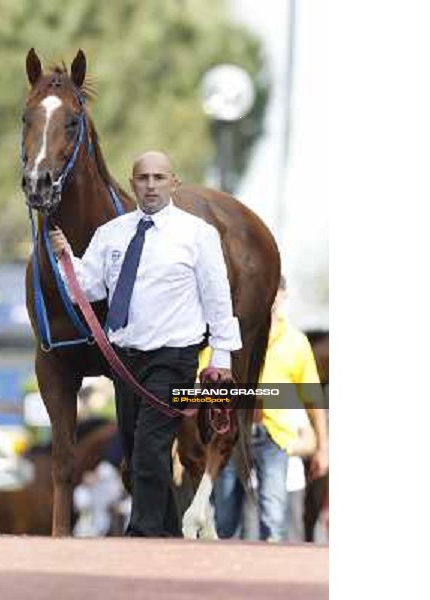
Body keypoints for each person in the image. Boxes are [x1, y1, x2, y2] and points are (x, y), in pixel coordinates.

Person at [49, 150, 242, 537]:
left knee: (150, 450)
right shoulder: (112, 234)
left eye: (158, 177)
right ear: (133, 182)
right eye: (143, 178)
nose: (150, 185)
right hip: (124, 360)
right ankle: (169, 533)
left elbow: (218, 297)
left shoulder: (198, 235)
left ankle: (142, 537)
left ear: (174, 183)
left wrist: (222, 356)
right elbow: (87, 287)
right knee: (138, 450)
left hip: (175, 357)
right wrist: (65, 256)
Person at [210, 276, 329, 541]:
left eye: (275, 291)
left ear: (284, 296)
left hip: (275, 437)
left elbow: (312, 397)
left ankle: (268, 580)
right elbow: (203, 382)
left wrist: (323, 446)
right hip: (231, 436)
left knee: (273, 520)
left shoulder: (296, 342)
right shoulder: (230, 337)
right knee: (225, 521)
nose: (268, 297)